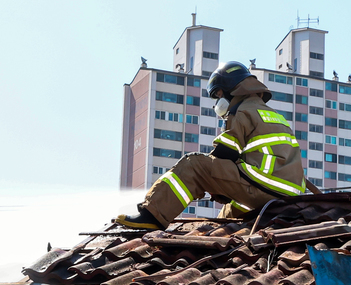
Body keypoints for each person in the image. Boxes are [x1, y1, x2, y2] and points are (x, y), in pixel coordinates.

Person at [116, 61, 308, 229]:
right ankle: (214, 234)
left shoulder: (241, 111)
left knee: (194, 165)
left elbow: (224, 153)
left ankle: (152, 215)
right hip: (284, 196)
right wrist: (224, 187)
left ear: (232, 89)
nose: (217, 101)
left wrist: (213, 184)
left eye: (218, 94)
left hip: (263, 187)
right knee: (226, 217)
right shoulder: (276, 117)